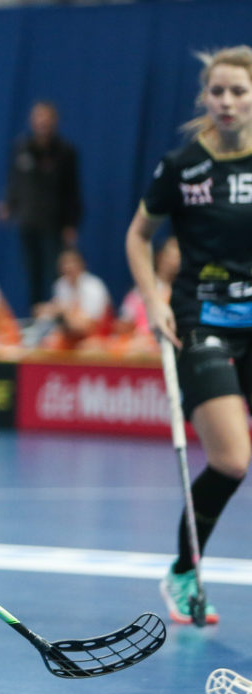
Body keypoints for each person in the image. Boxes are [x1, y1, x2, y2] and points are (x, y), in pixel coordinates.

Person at [125, 45, 252, 625]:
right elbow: (138, 236)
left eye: (238, 91)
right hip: (203, 324)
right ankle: (183, 572)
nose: (226, 101)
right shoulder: (181, 167)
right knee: (231, 461)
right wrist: (153, 298)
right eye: (217, 91)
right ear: (205, 96)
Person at [0, 100, 83, 312]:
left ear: (55, 121)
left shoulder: (65, 152)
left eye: (47, 118)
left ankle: (56, 318)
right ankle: (36, 319)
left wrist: (71, 223)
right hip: (28, 220)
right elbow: (15, 180)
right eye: (38, 117)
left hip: (54, 222)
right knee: (31, 273)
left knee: (54, 273)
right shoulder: (22, 147)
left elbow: (73, 190)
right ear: (32, 121)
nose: (42, 122)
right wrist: (8, 203)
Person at [31, 248, 112, 350]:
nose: (68, 267)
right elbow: (56, 314)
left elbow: (90, 325)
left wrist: (62, 311)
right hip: (71, 334)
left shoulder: (94, 286)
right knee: (48, 342)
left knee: (88, 348)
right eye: (64, 263)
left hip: (96, 334)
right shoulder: (60, 285)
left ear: (82, 264)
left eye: (72, 262)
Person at [113, 237, 179, 356]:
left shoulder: (182, 290)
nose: (173, 262)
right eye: (170, 256)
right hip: (140, 342)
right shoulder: (143, 289)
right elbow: (123, 323)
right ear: (160, 257)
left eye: (177, 257)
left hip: (166, 344)